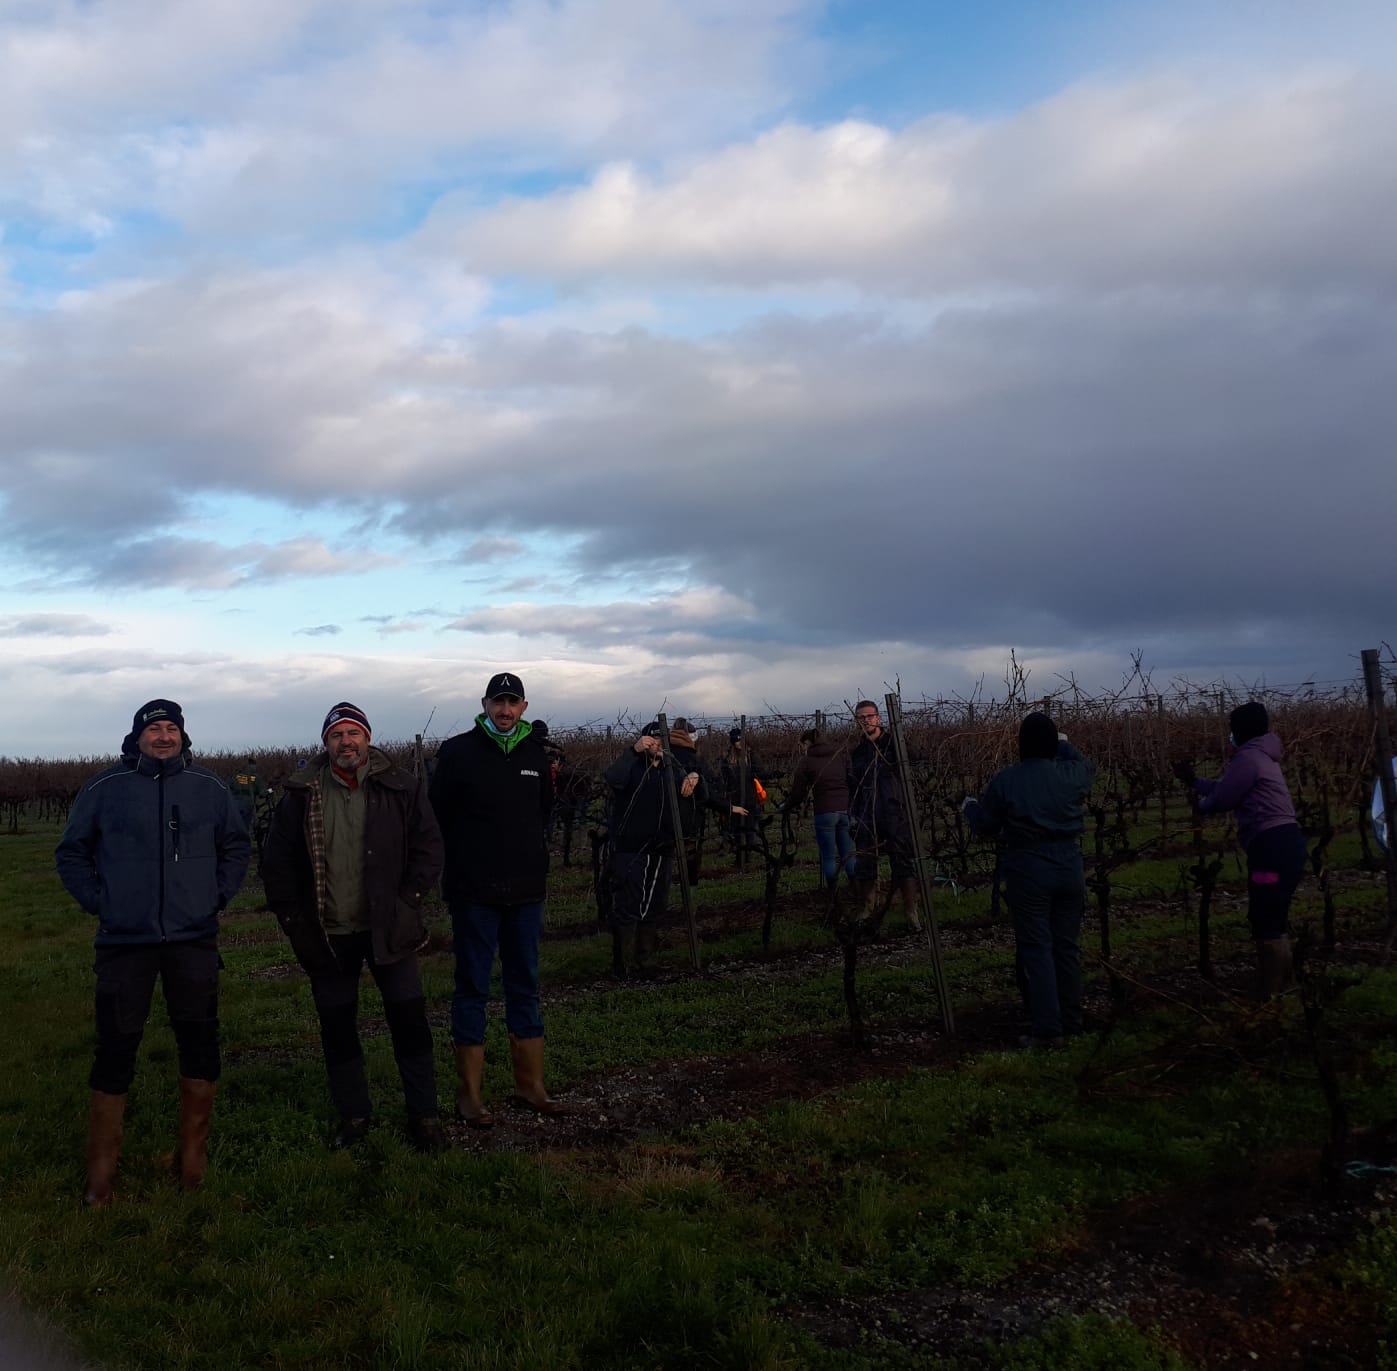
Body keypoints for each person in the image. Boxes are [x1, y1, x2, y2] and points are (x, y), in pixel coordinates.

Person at [56, 699, 250, 1204]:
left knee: (199, 1045)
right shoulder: (105, 788)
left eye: (171, 729)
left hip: (192, 939)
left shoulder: (208, 788)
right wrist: (103, 903)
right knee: (116, 1047)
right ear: (137, 737)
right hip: (126, 942)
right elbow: (72, 851)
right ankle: (101, 1176)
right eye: (153, 729)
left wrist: (215, 895)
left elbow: (236, 845)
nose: (163, 737)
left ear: (183, 736)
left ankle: (192, 1163)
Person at [261, 703, 447, 1153]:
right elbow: (278, 862)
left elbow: (428, 846)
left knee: (409, 1022)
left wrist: (409, 902)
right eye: (337, 735)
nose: (347, 742)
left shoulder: (401, 787)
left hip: (389, 928)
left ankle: (424, 1115)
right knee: (338, 1026)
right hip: (328, 933)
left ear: (368, 737)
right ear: (326, 743)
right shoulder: (302, 793)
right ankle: (354, 1113)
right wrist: (293, 919)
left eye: (354, 733)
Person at [429, 672, 561, 1127]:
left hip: (526, 892)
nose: (504, 710)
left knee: (525, 984)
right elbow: (438, 814)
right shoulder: (458, 753)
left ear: (524, 707)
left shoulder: (535, 756)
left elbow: (543, 812)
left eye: (513, 702)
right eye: (497, 702)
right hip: (475, 894)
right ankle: (470, 1095)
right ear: (484, 704)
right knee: (472, 988)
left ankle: (531, 1086)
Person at [962, 713, 1094, 1046]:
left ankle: (1048, 1030)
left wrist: (969, 807)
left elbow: (987, 826)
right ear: (1053, 745)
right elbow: (1084, 763)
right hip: (1070, 866)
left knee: (1037, 948)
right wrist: (1064, 745)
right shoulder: (1072, 775)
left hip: (1029, 867)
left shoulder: (1008, 780)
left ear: (1020, 744)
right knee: (1067, 947)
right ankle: (1073, 1019)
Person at [1179, 701, 1305, 996]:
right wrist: (1195, 783)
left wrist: (1199, 805)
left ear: (1240, 730)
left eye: (1231, 728)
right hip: (1284, 844)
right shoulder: (1262, 756)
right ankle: (1285, 985)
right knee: (1273, 912)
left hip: (1269, 852)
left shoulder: (1249, 758)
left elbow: (1224, 798)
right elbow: (1226, 786)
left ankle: (1274, 990)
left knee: (1265, 915)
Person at [602, 723, 745, 977]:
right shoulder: (633, 767)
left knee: (655, 903)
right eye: (653, 739)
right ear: (645, 741)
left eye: (662, 740)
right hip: (632, 849)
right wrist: (632, 751)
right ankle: (622, 966)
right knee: (629, 904)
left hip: (663, 848)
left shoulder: (672, 768)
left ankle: (645, 962)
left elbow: (701, 796)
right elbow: (612, 778)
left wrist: (696, 779)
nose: (658, 744)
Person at [847, 700, 922, 933]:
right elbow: (853, 786)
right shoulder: (857, 752)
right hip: (867, 815)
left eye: (869, 716)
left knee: (903, 862)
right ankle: (867, 908)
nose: (865, 720)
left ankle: (911, 911)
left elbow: (917, 760)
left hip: (895, 812)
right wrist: (854, 813)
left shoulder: (893, 744)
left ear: (878, 718)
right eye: (860, 717)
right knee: (866, 862)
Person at [782, 727, 855, 891]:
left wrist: (786, 806)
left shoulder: (806, 761)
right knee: (848, 852)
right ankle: (856, 887)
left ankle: (833, 893)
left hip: (824, 811)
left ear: (807, 743)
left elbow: (798, 793)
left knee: (828, 856)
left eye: (803, 745)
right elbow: (851, 779)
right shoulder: (840, 754)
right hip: (845, 809)